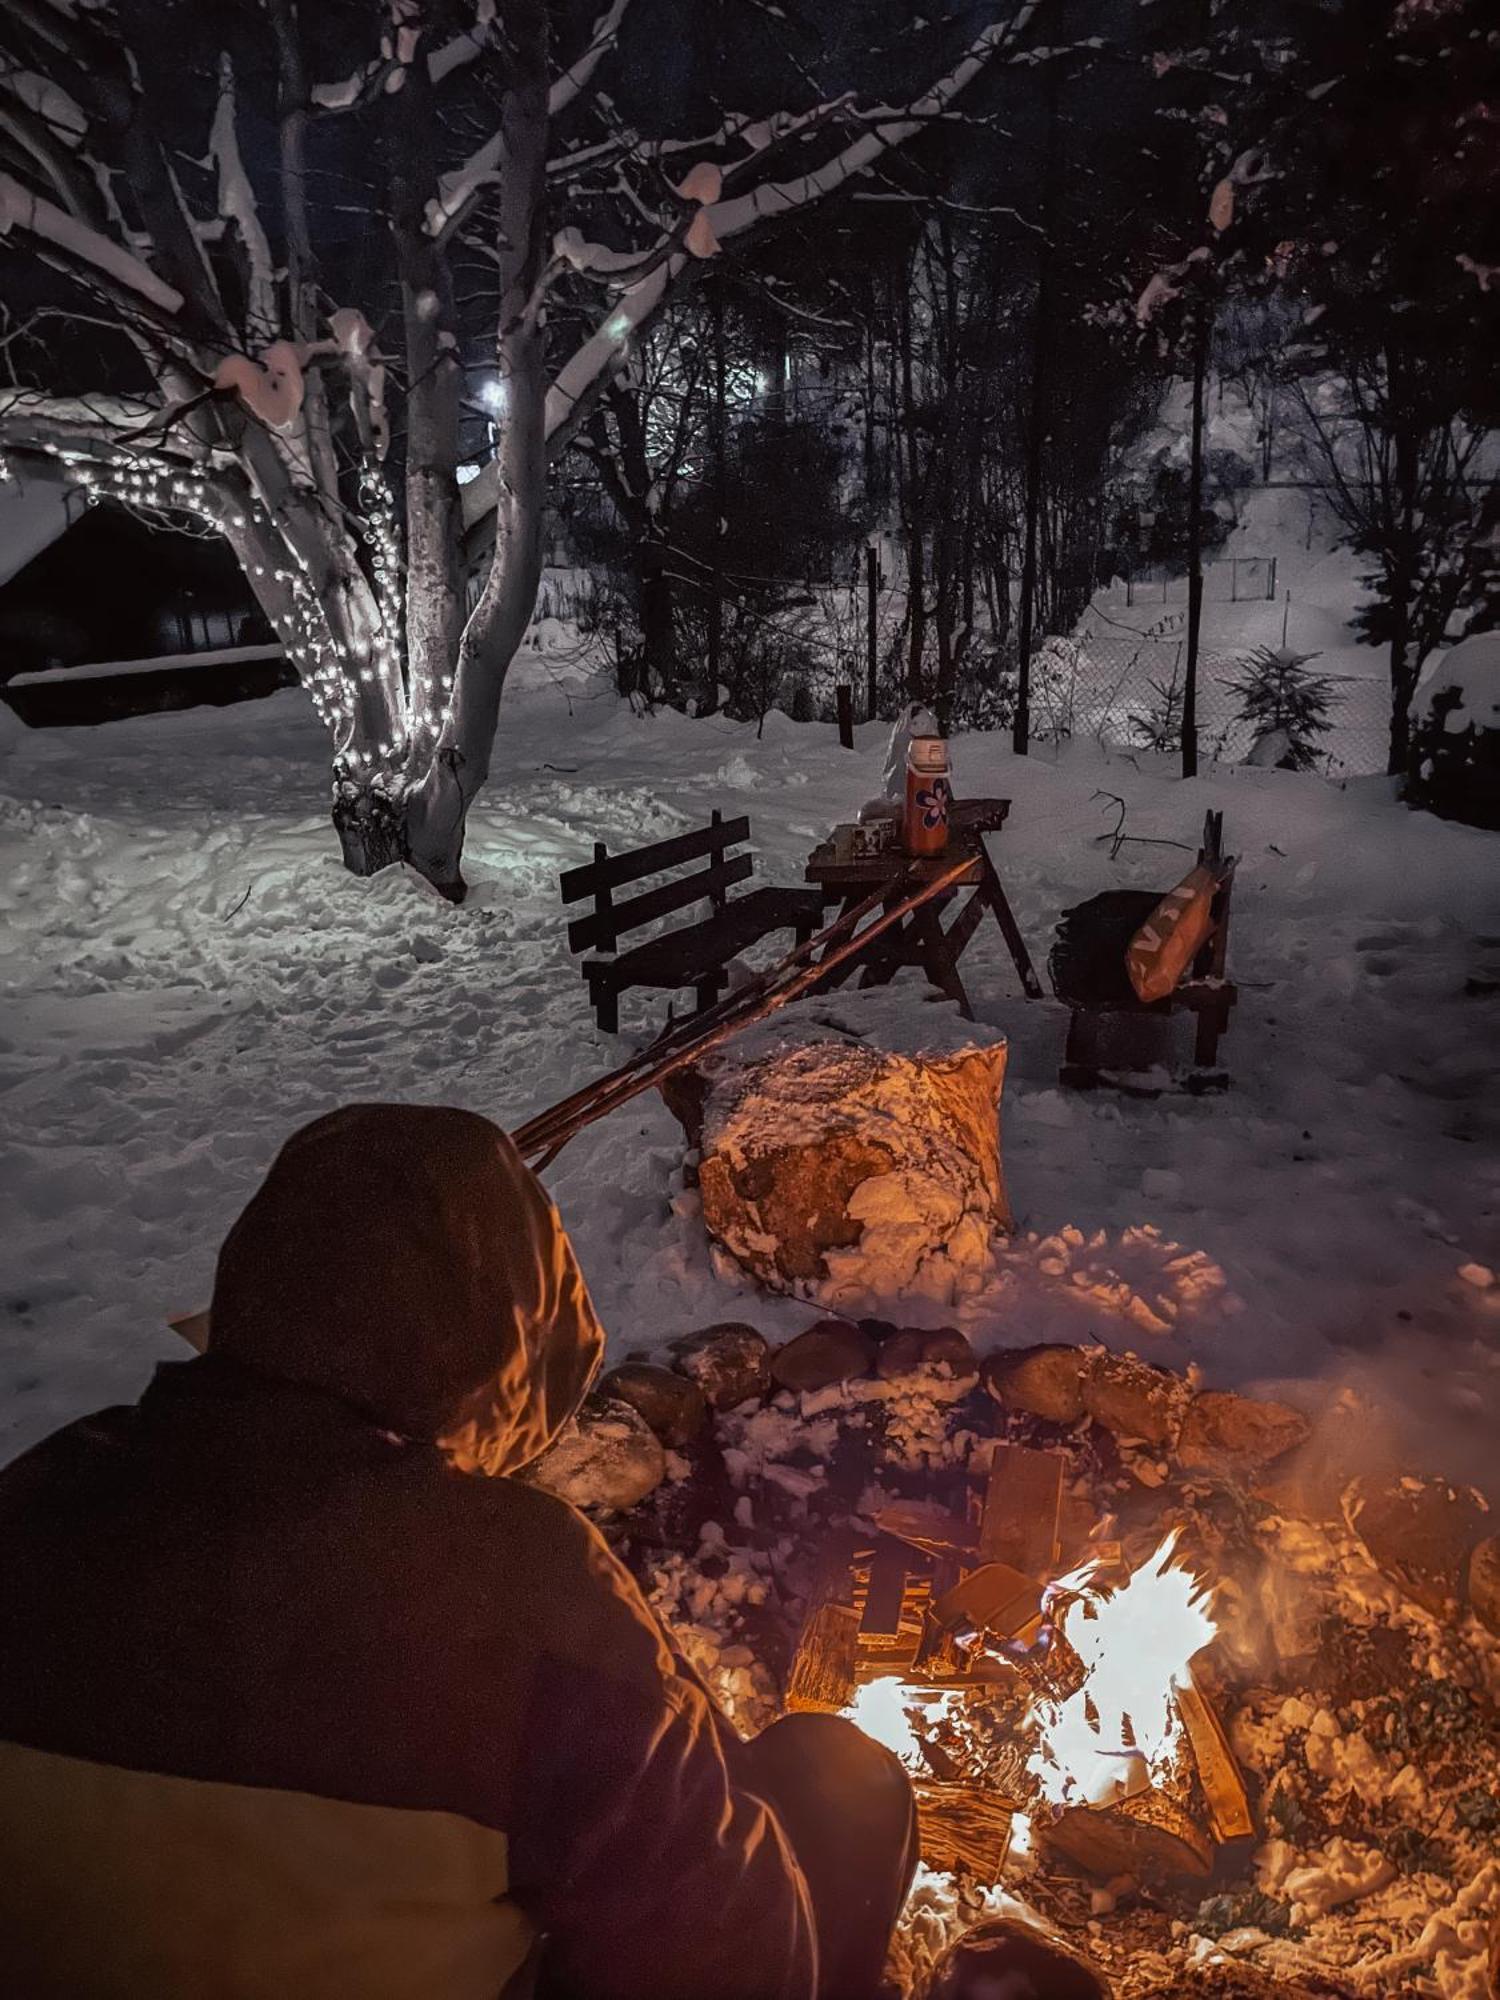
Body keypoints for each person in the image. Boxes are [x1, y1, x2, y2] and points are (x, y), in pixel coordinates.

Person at [0, 1104, 916, 2000]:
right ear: (504, 1341)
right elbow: (738, 1965)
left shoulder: (41, 1489)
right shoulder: (518, 1588)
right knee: (837, 1780)